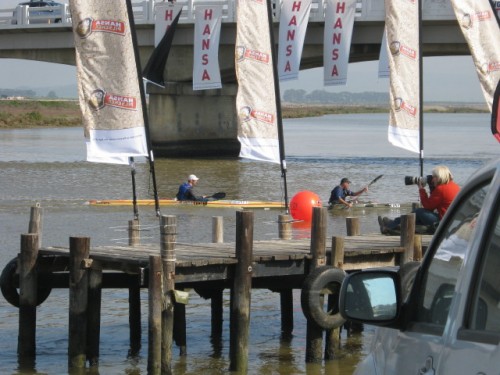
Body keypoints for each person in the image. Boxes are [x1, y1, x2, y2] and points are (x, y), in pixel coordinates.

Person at [378, 165, 460, 234]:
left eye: (434, 177)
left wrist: (421, 189)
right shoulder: (455, 186)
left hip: (442, 222)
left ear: (440, 177)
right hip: (451, 221)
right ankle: (393, 227)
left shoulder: (441, 189)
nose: (432, 179)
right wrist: (432, 188)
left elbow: (428, 206)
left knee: (419, 212)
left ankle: (391, 225)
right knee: (419, 220)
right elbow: (435, 203)